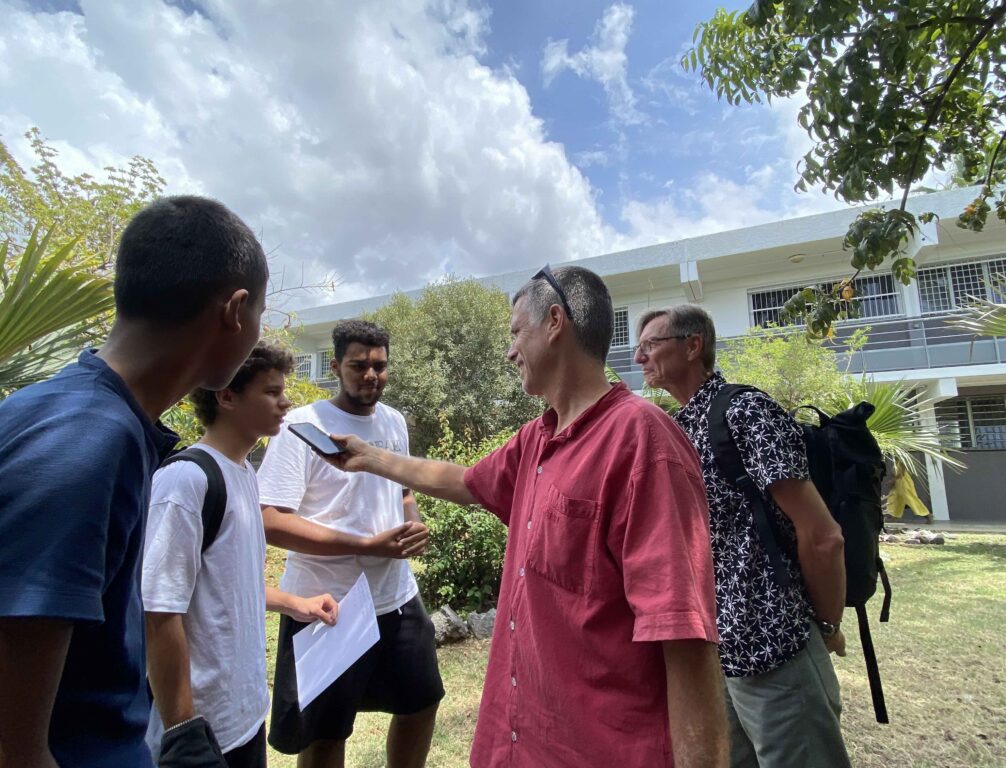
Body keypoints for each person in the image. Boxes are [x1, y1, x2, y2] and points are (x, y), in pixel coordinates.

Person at [324, 266, 728, 768]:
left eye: (517, 332)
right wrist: (370, 457)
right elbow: (464, 481)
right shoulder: (537, 438)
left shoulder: (643, 440)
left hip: (600, 748)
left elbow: (684, 634)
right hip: (518, 739)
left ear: (555, 321)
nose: (510, 351)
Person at [0, 196, 268, 768]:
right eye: (261, 315)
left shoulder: (69, 414)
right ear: (235, 310)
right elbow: (15, 745)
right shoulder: (87, 442)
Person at [633, 304, 851, 768]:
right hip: (716, 657)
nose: (639, 357)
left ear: (693, 346)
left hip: (776, 648)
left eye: (651, 344)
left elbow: (822, 535)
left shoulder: (745, 411)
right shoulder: (678, 427)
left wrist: (827, 626)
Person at [143, 342, 340, 767]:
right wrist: (183, 733)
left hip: (246, 716)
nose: (286, 402)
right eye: (271, 392)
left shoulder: (245, 473)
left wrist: (296, 603)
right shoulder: (185, 482)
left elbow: (231, 581)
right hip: (199, 731)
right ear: (226, 396)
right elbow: (159, 612)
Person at [257, 319, 443, 768]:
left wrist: (412, 522)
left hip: (396, 599)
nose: (370, 376)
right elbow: (269, 519)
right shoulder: (302, 426)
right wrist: (366, 543)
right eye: (358, 365)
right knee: (325, 733)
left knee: (421, 703)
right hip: (327, 605)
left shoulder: (394, 421)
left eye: (379, 366)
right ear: (337, 366)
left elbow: (402, 490)